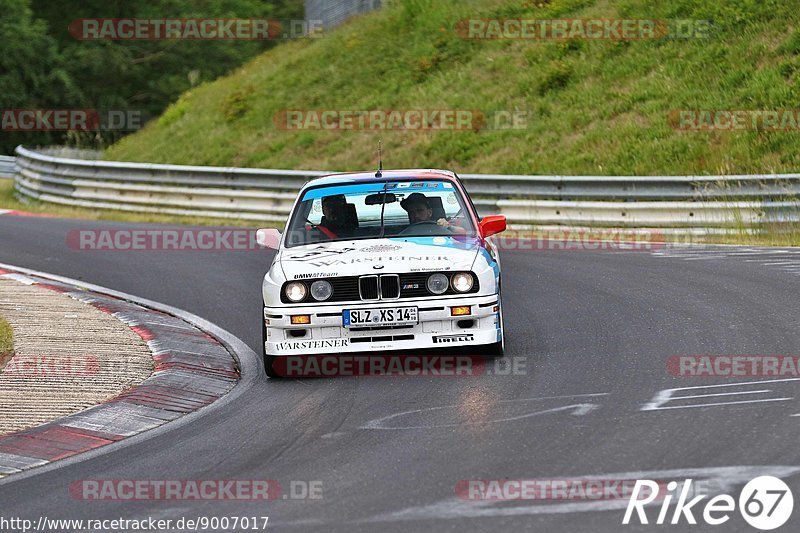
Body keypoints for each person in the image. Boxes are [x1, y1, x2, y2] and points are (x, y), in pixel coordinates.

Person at [400, 192, 467, 234]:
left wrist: (449, 227)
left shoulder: (442, 226)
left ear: (429, 212)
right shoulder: (401, 234)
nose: (416, 215)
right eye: (411, 212)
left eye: (420, 210)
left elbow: (464, 233)